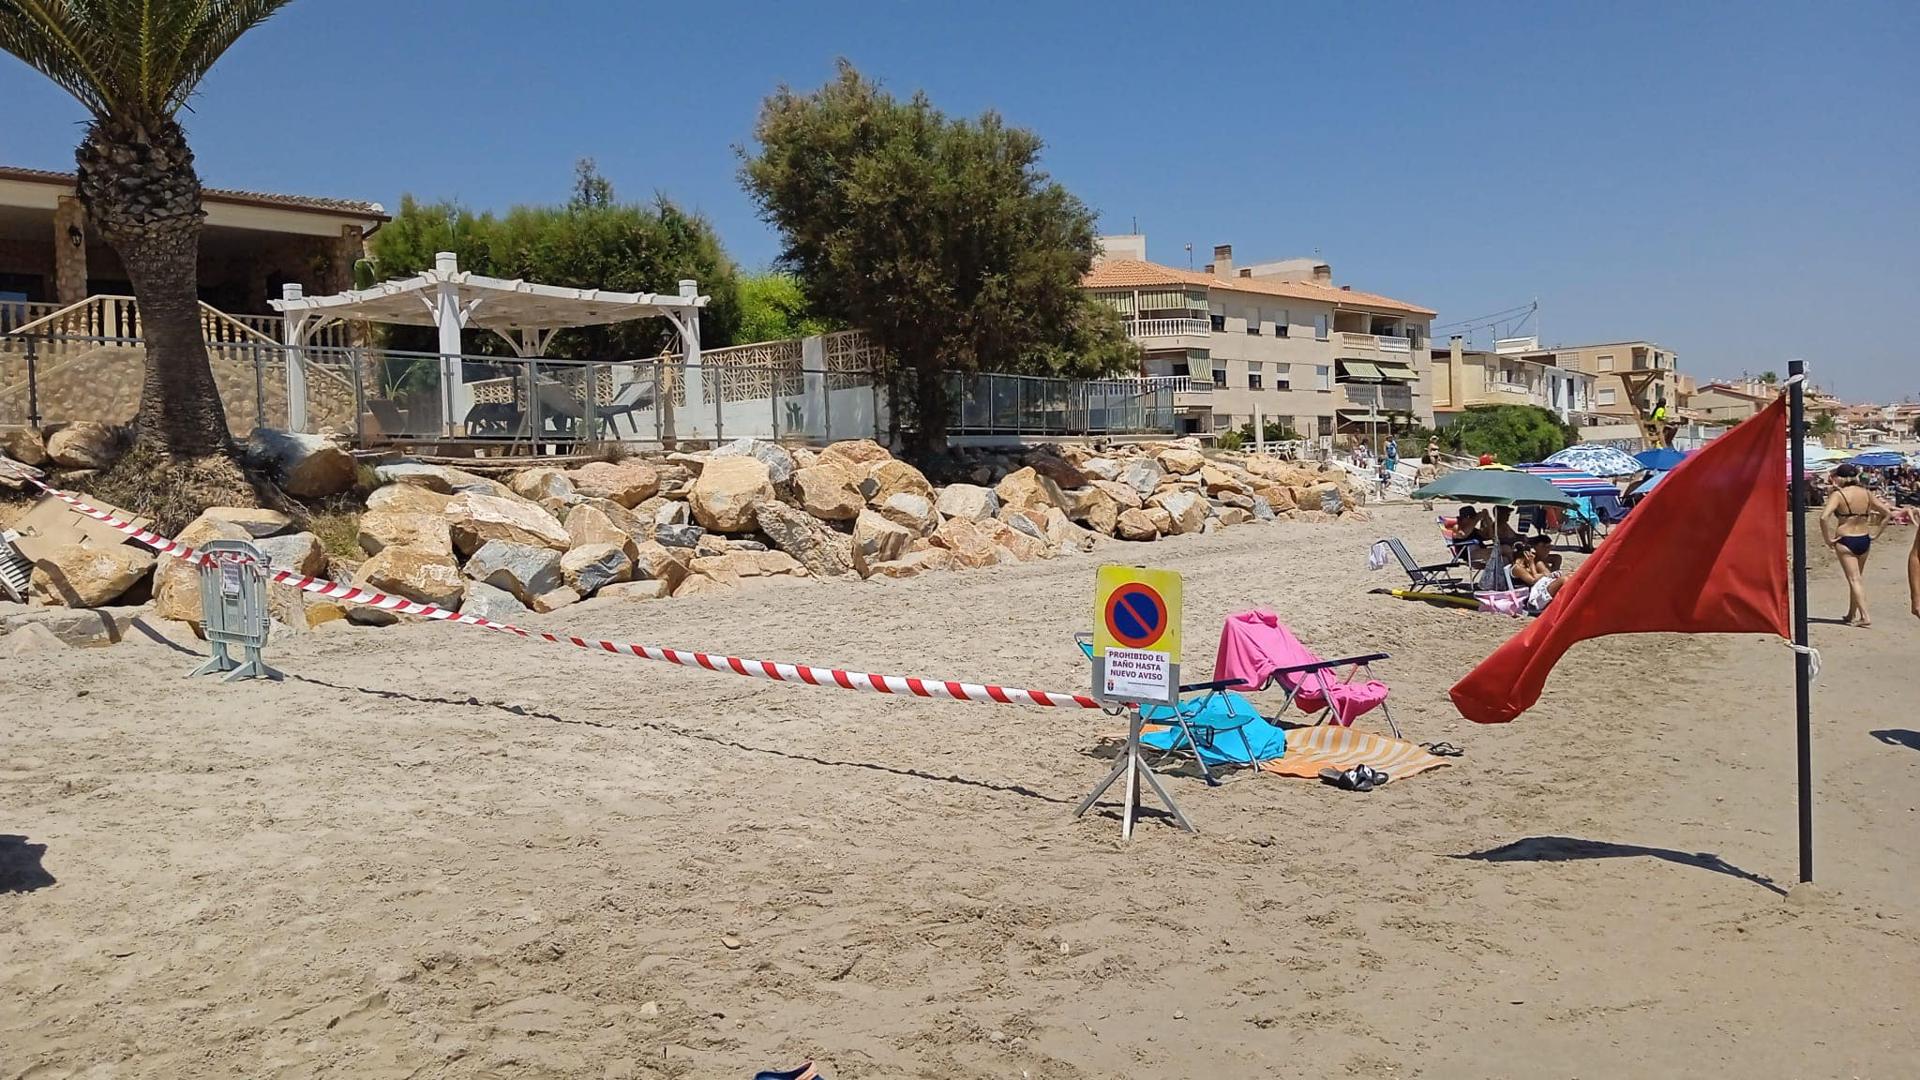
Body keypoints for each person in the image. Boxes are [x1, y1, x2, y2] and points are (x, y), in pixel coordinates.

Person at [1819, 462, 1894, 627]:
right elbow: (1887, 513)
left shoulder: (1839, 495)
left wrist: (1827, 539)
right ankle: (1851, 613)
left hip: (1846, 539)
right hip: (1864, 538)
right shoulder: (1866, 493)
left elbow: (1824, 517)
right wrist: (1877, 534)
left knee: (1854, 579)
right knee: (1857, 578)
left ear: (1839, 477)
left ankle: (1865, 616)